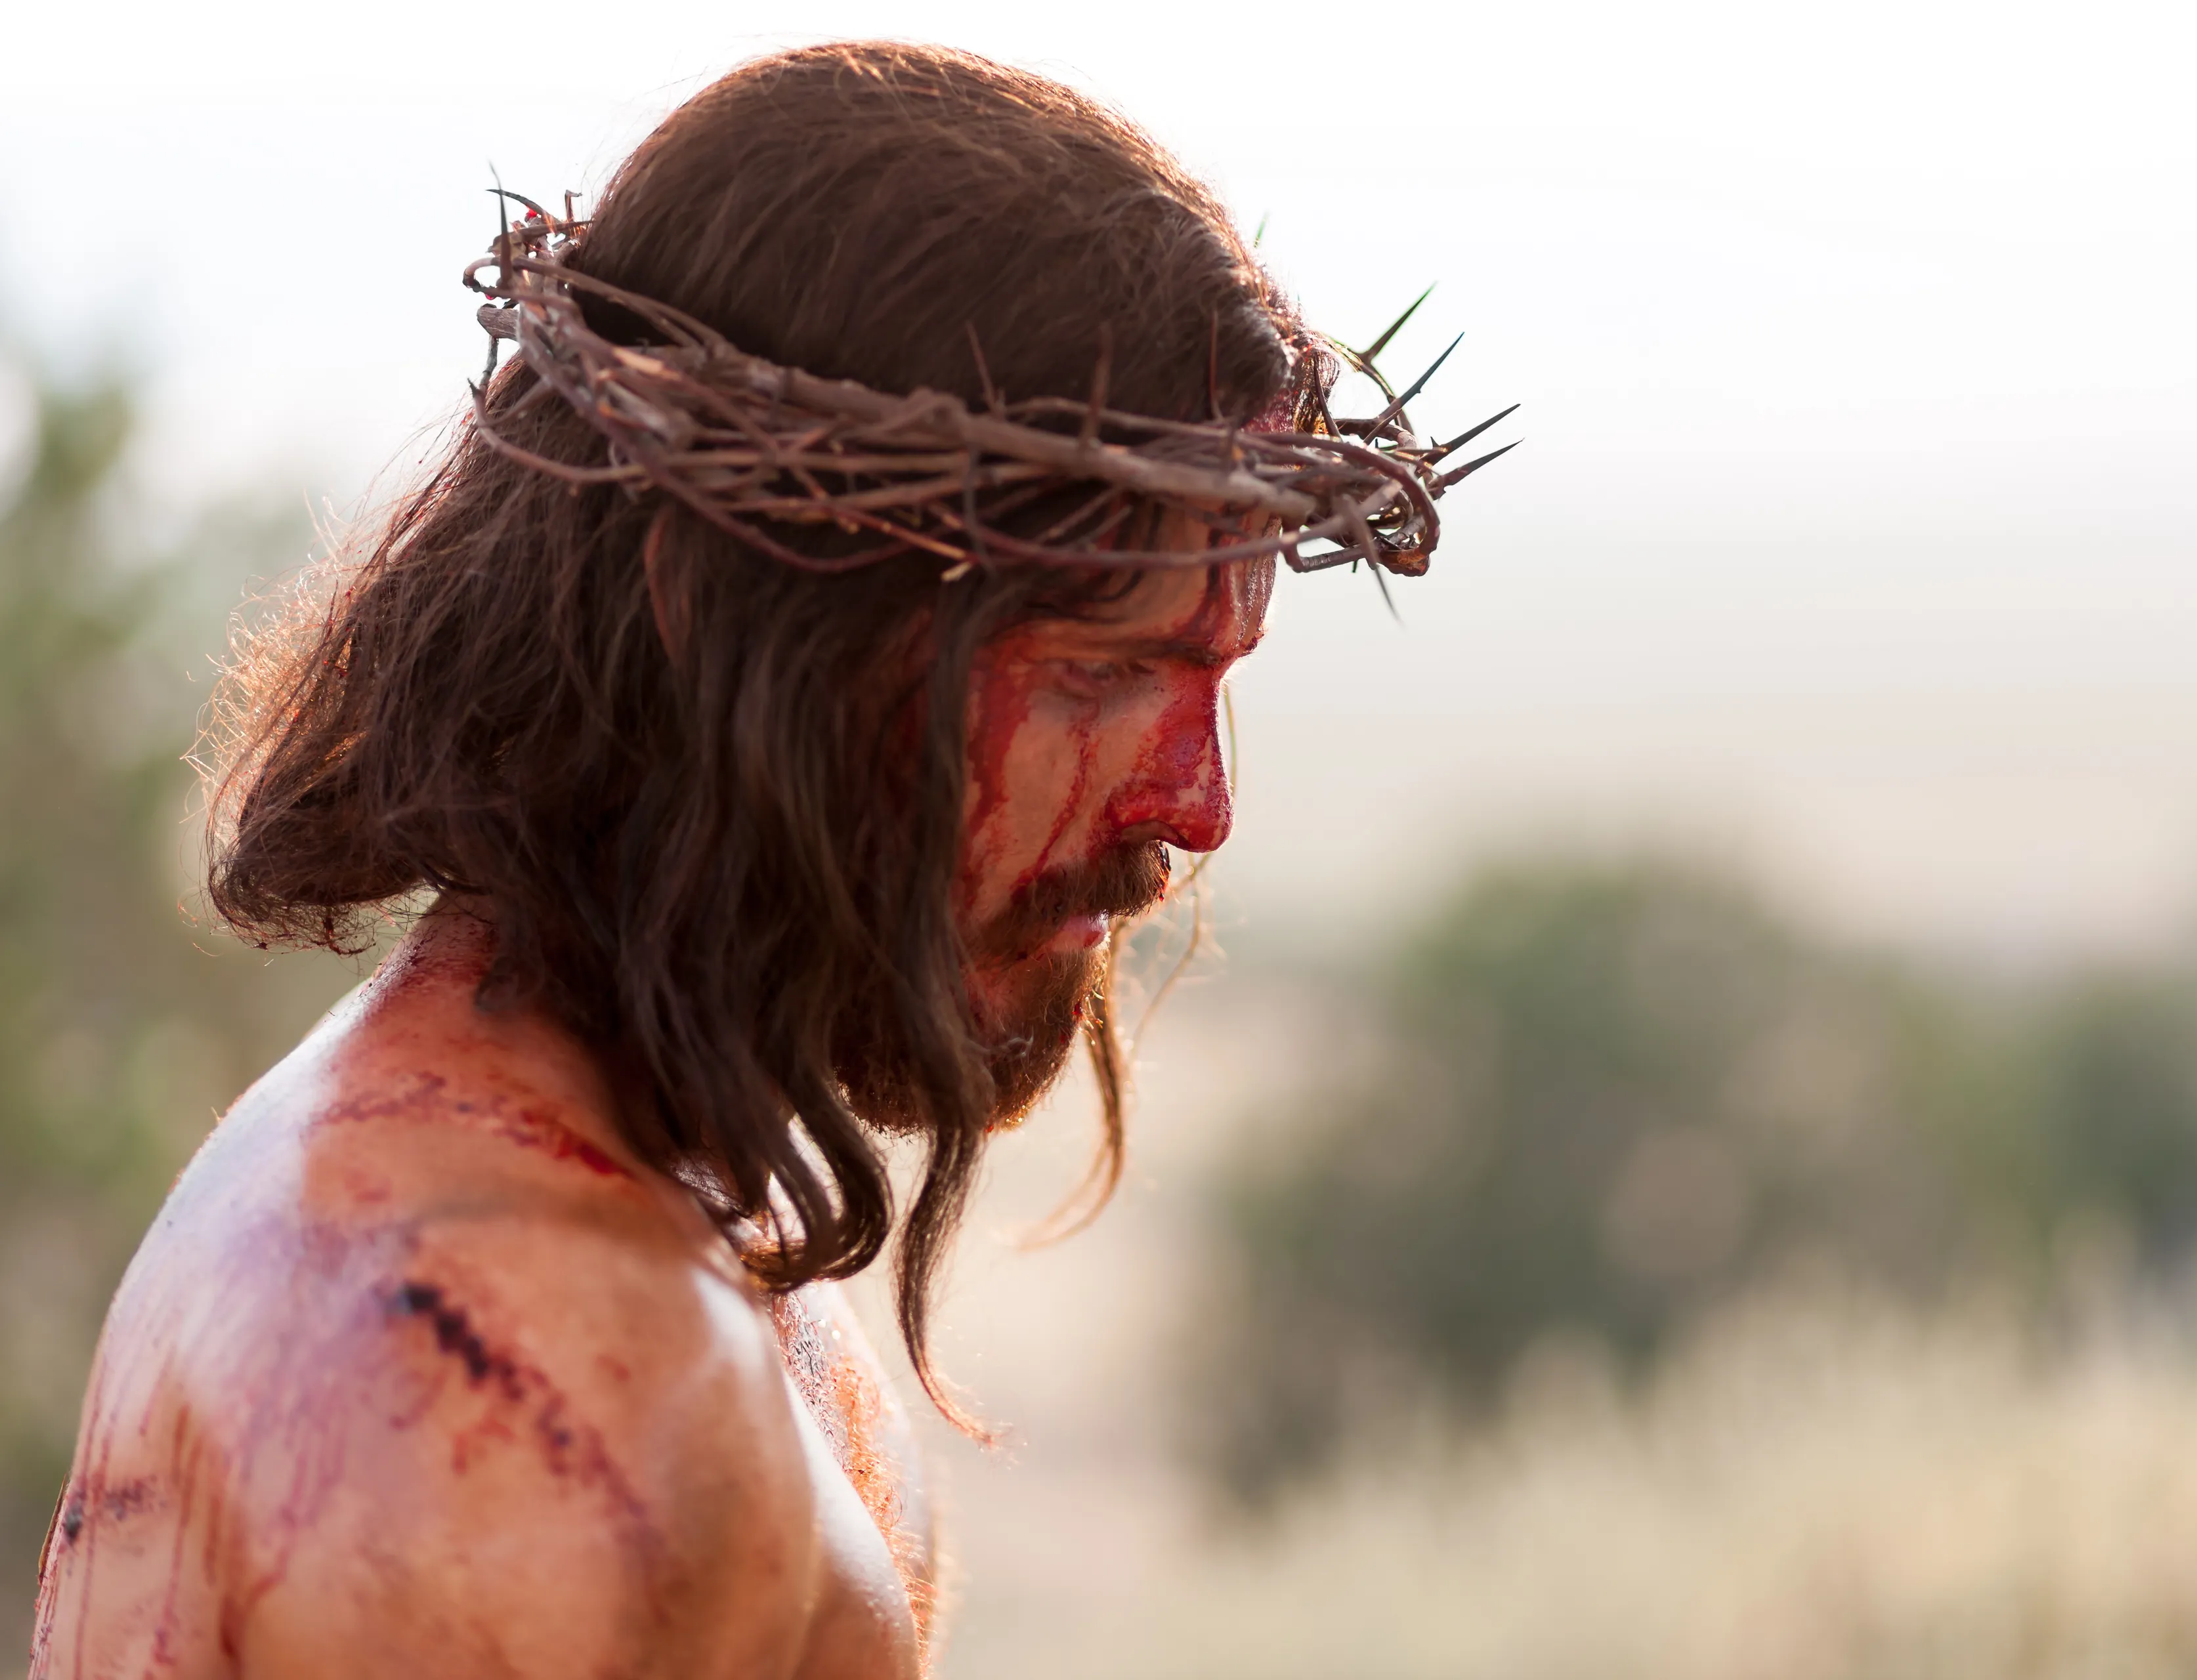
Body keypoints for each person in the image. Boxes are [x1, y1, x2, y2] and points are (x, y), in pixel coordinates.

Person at [28, 39, 1487, 1679]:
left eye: (1216, 681)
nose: (1198, 804)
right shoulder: (521, 1398)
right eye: (1097, 671)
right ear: (724, 613)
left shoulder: (605, 1193)